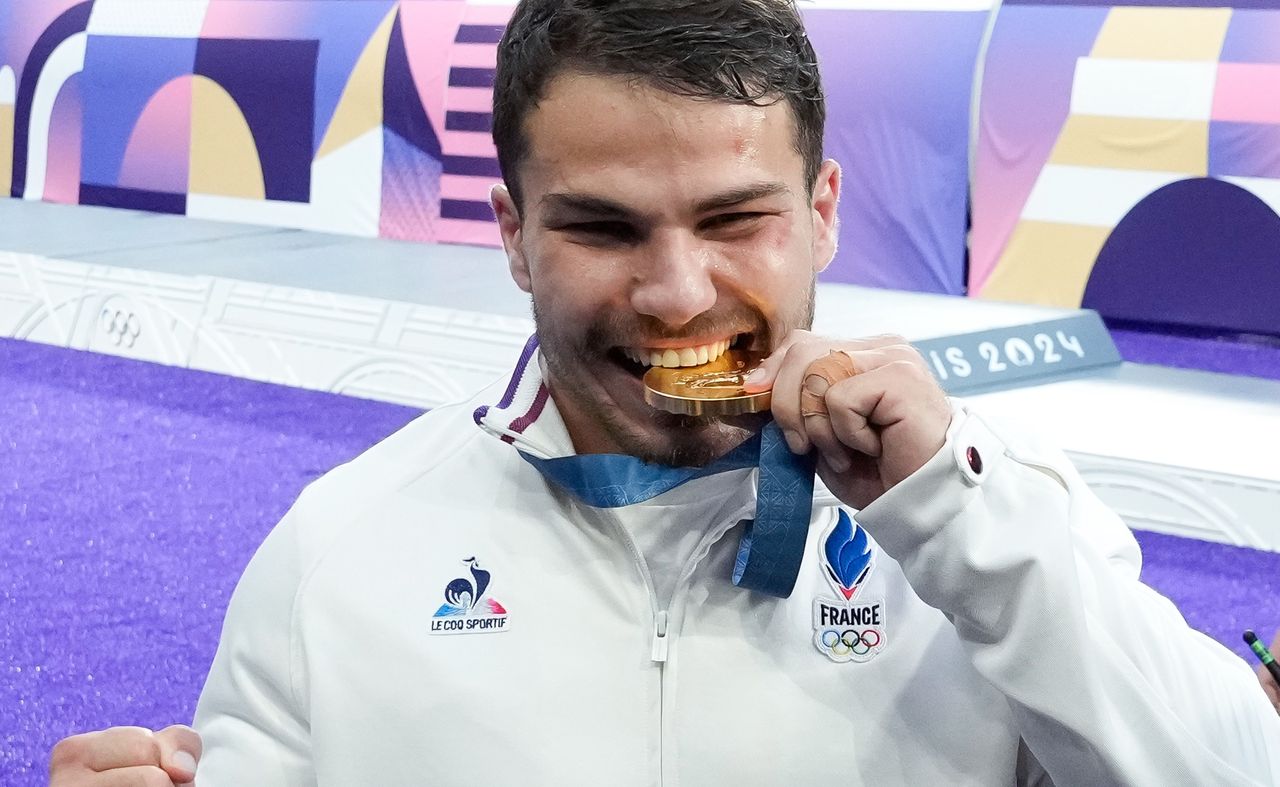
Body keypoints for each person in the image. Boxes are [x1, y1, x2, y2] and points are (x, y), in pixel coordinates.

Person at [49, 1, 1280, 784]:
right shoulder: (342, 547)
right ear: (514, 235)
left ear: (822, 215)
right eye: (600, 227)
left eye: (734, 218)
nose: (677, 293)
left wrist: (954, 516)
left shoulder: (978, 518)